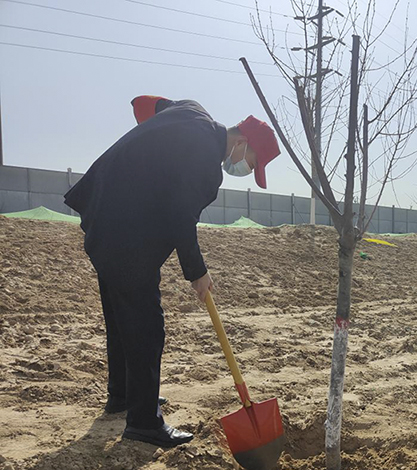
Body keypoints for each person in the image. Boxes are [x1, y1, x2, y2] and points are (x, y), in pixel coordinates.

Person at [64, 95, 280, 448]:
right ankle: (144, 423)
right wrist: (198, 273)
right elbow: (182, 218)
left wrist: (149, 148)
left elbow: (149, 106)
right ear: (242, 142)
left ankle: (124, 397)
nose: (244, 171)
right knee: (147, 327)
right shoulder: (206, 165)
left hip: (104, 215)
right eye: (252, 164)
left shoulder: (193, 111)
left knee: (122, 319)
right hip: (125, 235)